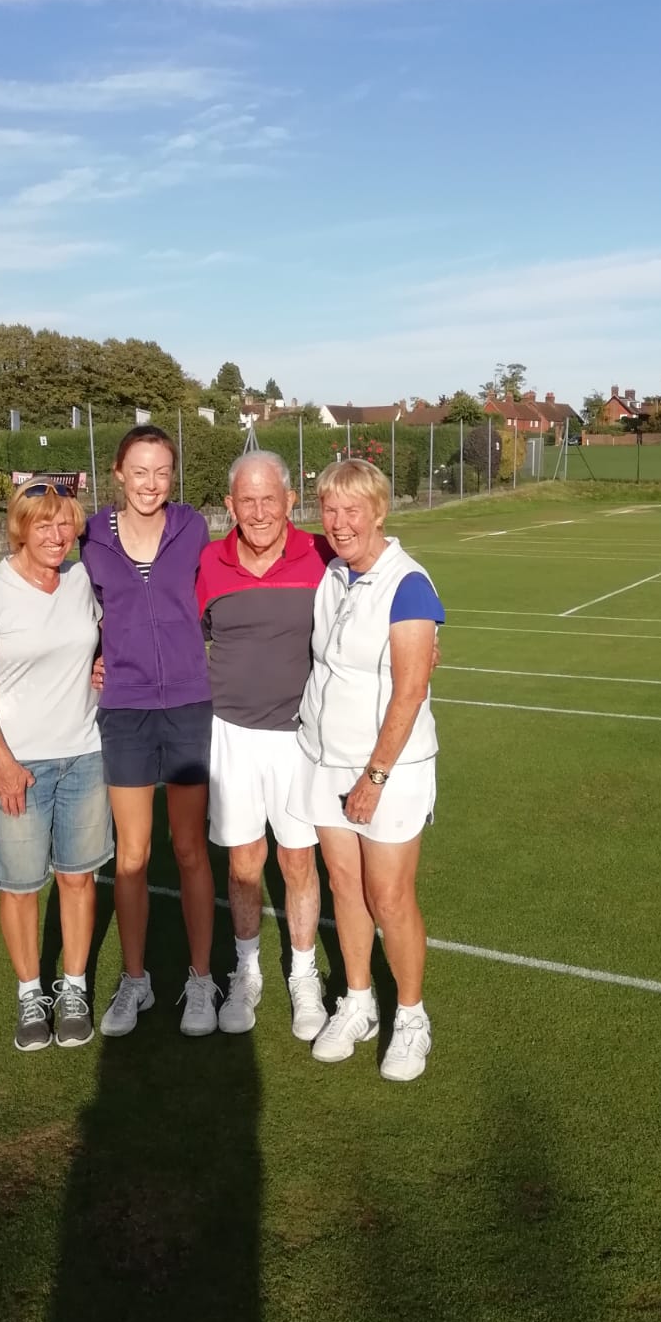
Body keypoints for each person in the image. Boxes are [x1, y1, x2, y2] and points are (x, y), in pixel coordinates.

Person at [290, 458, 444, 1082]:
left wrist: (374, 778)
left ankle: (411, 1018)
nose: (339, 521)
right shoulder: (333, 574)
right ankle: (358, 1003)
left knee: (389, 896)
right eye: (329, 509)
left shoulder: (407, 585)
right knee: (344, 885)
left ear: (379, 512)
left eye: (352, 509)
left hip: (388, 769)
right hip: (325, 758)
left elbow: (410, 692)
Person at [0, 480, 112, 1053]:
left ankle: (73, 989)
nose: (56, 534)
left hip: (85, 755)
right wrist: (3, 762)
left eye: (65, 522)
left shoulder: (80, 581)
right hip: (17, 763)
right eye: (43, 523)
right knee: (20, 886)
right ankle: (30, 994)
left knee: (78, 878)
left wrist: (103, 664)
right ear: (20, 528)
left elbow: (99, 641)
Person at [80, 424, 218, 1037]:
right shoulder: (90, 537)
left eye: (162, 472)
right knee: (132, 855)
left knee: (188, 849)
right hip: (126, 708)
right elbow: (73, 606)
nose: (151, 483)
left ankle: (200, 979)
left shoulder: (192, 527)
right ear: (118, 473)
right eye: (139, 471)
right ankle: (135, 980)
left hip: (187, 702)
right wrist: (91, 656)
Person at [196, 451, 330, 1041]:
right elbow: (176, 631)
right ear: (230, 505)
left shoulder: (322, 554)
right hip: (230, 734)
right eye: (246, 501)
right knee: (244, 862)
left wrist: (419, 636)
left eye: (268, 499)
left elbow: (372, 597)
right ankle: (246, 971)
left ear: (289, 501)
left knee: (298, 860)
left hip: (300, 736)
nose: (258, 512)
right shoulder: (208, 562)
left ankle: (304, 975)